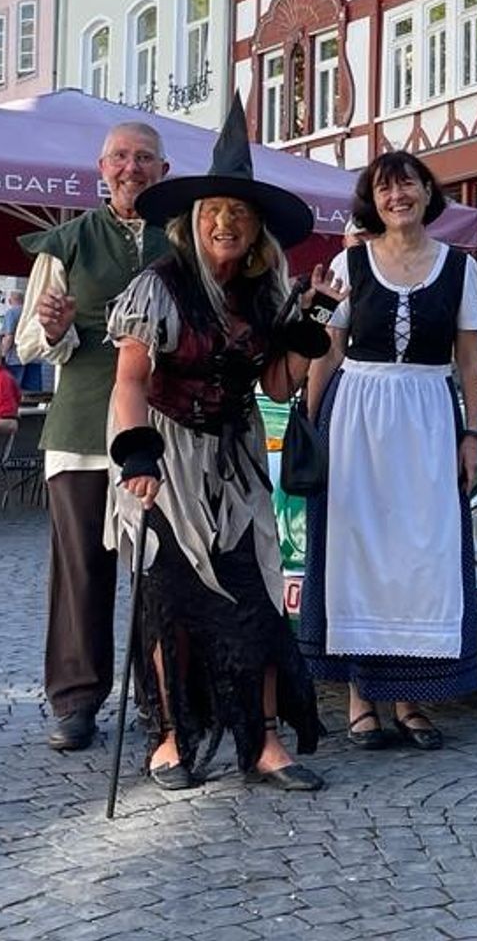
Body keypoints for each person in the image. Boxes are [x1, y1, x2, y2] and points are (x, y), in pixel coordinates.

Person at [107, 99, 330, 792]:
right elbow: (130, 379)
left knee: (256, 596)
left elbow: (277, 382)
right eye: (214, 214)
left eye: (239, 214)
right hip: (166, 457)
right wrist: (136, 455)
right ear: (193, 223)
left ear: (258, 228)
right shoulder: (160, 286)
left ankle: (261, 743)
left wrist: (308, 327)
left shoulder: (267, 295)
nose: (225, 224)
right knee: (169, 601)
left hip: (234, 459)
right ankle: (171, 738)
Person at [300, 151, 477, 750]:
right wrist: (310, 422)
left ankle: (410, 701)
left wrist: (472, 434)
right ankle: (361, 699)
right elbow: (328, 349)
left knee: (418, 556)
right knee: (359, 552)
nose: (397, 196)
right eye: (384, 188)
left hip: (429, 412)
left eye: (407, 184)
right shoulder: (348, 261)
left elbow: (470, 360)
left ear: (428, 192)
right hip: (358, 413)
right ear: (371, 201)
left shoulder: (460, 268)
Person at [16, 121, 171, 753]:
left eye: (143, 158)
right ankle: (76, 699)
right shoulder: (68, 243)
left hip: (159, 431)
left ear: (163, 171)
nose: (131, 167)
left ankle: (161, 696)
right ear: (100, 169)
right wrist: (55, 329)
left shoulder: (181, 239)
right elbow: (28, 341)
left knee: (162, 568)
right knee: (82, 569)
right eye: (120, 158)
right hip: (81, 428)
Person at [0, 289, 41, 392]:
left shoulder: (11, 313)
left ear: (10, 300)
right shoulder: (33, 313)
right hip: (34, 358)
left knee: (13, 392)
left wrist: (2, 354)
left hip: (15, 359)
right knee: (32, 394)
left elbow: (9, 336)